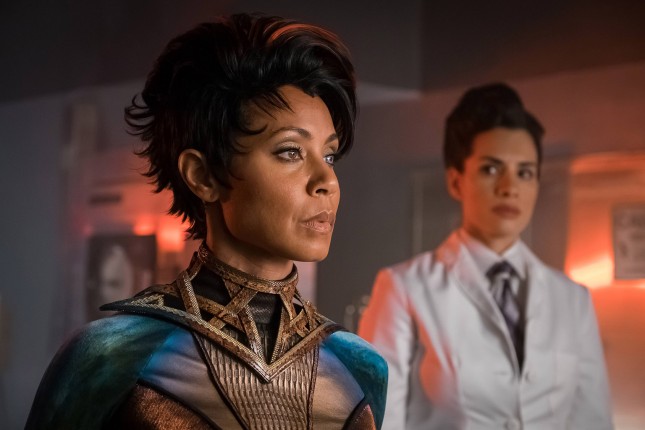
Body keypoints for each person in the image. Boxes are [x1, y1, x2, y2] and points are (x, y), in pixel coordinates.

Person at [26, 13, 387, 429]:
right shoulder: (111, 354)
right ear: (203, 176)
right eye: (290, 151)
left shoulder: (360, 366)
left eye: (329, 155)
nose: (327, 182)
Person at [358, 83, 612, 429]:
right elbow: (379, 423)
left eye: (525, 172)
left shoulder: (572, 300)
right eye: (491, 169)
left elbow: (593, 422)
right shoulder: (403, 288)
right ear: (456, 181)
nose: (509, 187)